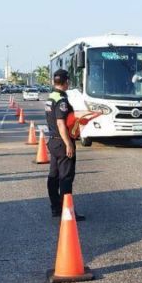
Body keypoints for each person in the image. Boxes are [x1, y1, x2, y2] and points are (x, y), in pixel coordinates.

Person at [45, 69, 84, 220]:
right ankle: (67, 211)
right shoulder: (61, 100)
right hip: (62, 142)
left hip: (53, 141)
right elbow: (61, 123)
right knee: (66, 178)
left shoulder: (51, 97)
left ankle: (55, 208)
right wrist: (68, 144)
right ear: (66, 82)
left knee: (53, 176)